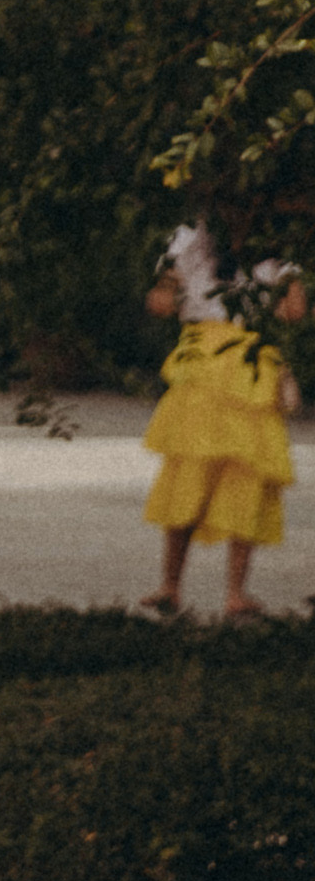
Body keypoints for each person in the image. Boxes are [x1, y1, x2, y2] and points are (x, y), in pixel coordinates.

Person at [139, 216, 305, 620]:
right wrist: (168, 288)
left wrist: (292, 281)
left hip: (251, 364)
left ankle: (235, 593)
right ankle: (170, 586)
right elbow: (161, 300)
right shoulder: (190, 238)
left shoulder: (279, 254)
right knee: (187, 477)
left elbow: (293, 313)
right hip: (203, 362)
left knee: (245, 480)